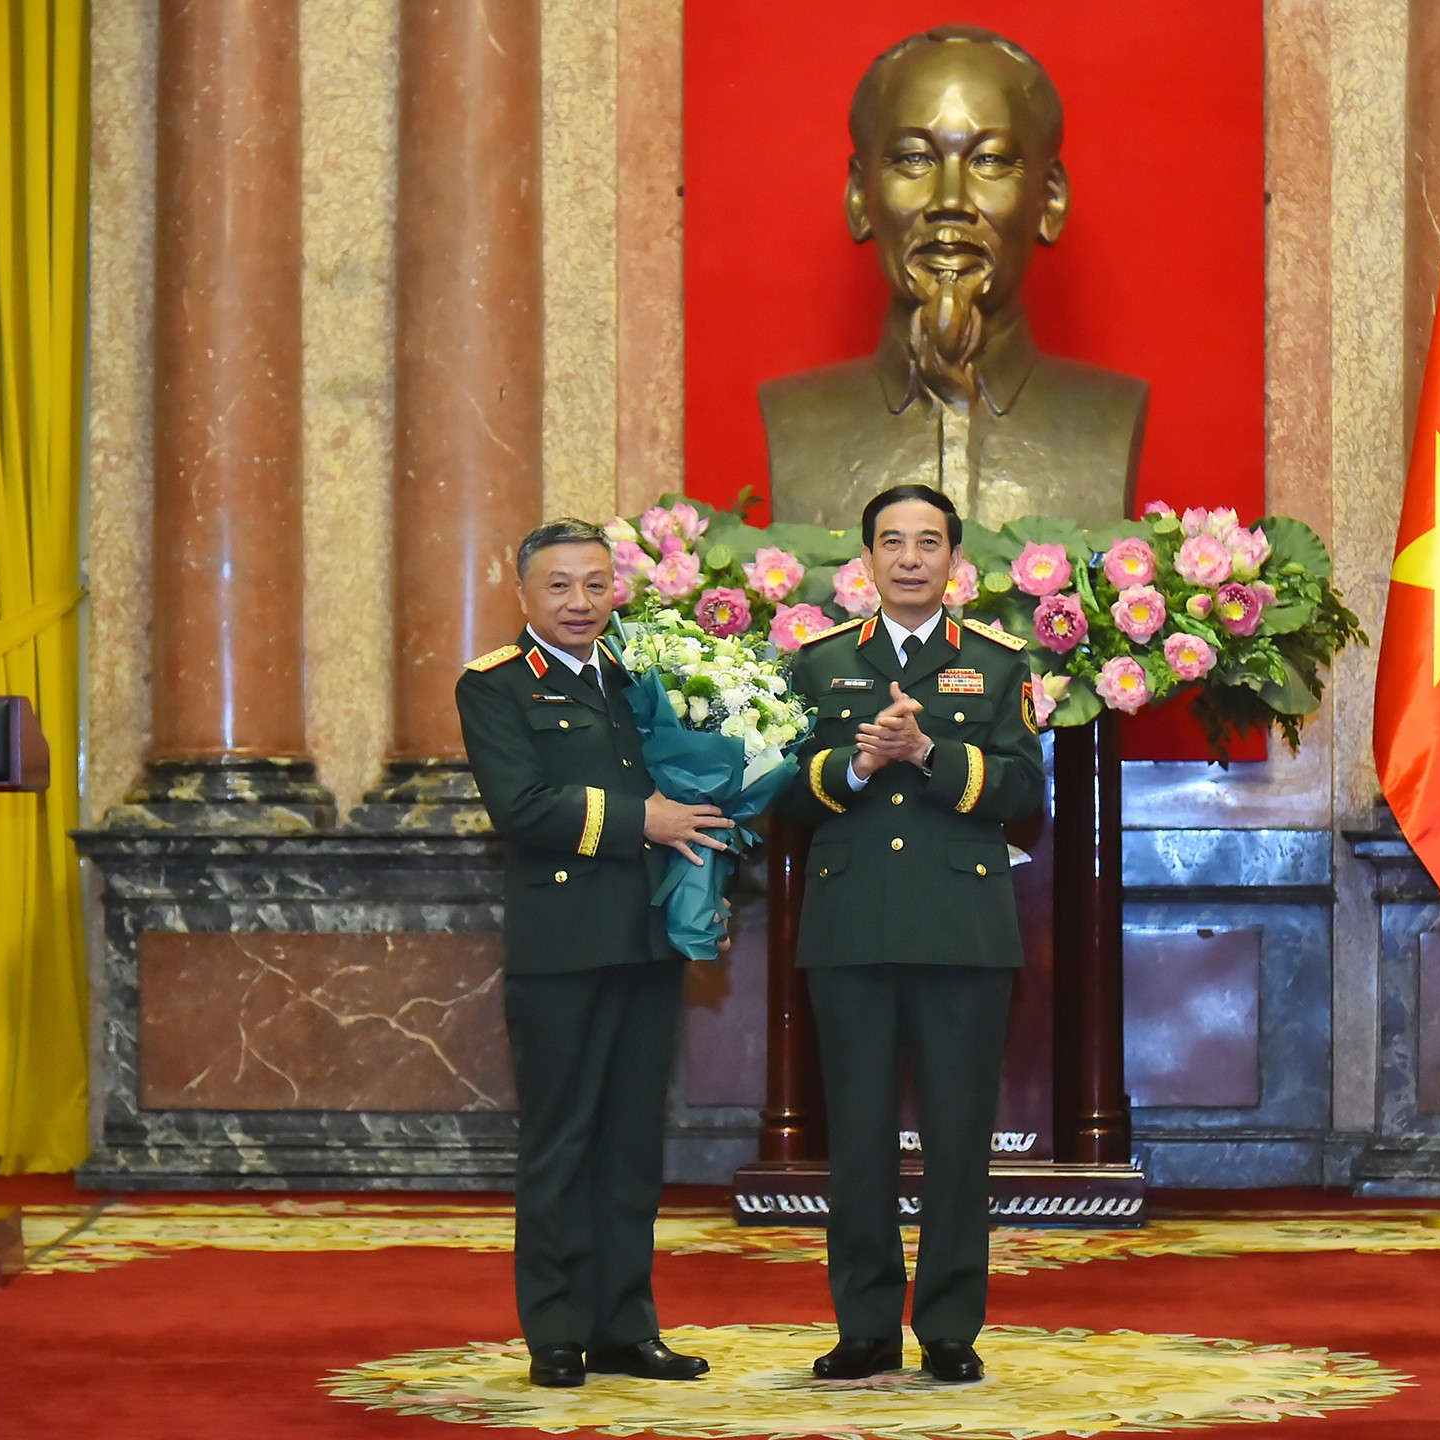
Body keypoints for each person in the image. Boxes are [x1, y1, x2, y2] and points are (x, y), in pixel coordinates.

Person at [455, 517, 735, 1389]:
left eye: (595, 585)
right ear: (524, 593)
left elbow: (682, 779)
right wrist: (641, 819)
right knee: (561, 1141)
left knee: (630, 1146)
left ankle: (626, 1326)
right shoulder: (495, 685)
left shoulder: (639, 675)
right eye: (560, 586)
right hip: (563, 945)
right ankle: (556, 1331)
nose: (580, 602)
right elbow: (523, 805)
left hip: (644, 938)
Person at [784, 484, 1046, 1383]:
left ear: (953, 560)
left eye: (926, 542)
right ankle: (863, 1327)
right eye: (890, 541)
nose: (908, 558)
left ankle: (948, 1330)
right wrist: (856, 763)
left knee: (958, 1139)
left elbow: (1023, 797)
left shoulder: (1000, 664)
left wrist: (929, 754)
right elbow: (779, 795)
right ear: (864, 559)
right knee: (855, 1138)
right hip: (850, 927)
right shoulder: (819, 665)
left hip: (961, 928)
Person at [761, 24, 1146, 530]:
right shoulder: (798, 420)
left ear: (1050, 200)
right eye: (914, 159)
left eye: (988, 160)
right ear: (860, 197)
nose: (949, 202)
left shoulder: (1110, 418)